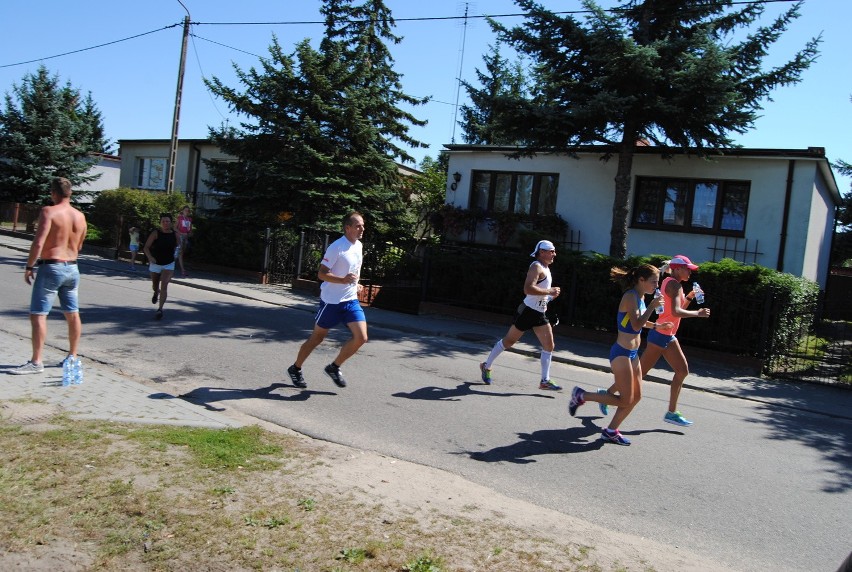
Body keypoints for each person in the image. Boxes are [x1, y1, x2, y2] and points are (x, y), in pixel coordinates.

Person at [568, 264, 669, 445]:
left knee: (636, 397)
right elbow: (637, 324)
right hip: (621, 353)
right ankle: (582, 395)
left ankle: (611, 431)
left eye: (658, 281)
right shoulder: (630, 296)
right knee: (624, 400)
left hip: (633, 353)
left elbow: (635, 322)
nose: (657, 285)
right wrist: (652, 307)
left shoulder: (640, 295)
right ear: (641, 280)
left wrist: (655, 326)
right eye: (654, 282)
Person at [11, 177, 87, 375]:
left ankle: (36, 361)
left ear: (53, 193)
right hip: (72, 268)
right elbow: (79, 246)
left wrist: (29, 266)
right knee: (72, 313)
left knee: (38, 314)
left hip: (51, 266)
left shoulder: (49, 211)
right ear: (70, 193)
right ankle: (73, 356)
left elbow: (38, 242)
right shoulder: (80, 216)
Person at [287, 212, 368, 389]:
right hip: (331, 302)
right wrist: (342, 280)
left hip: (350, 300)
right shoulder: (336, 247)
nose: (362, 228)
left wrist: (356, 283)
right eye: (358, 226)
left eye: (362, 225)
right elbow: (321, 274)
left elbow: (352, 271)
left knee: (361, 337)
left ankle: (334, 367)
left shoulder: (359, 246)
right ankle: (295, 368)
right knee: (317, 338)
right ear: (347, 228)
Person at [479, 240, 563, 391]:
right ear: (542, 252)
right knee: (509, 341)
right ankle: (486, 365)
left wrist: (550, 297)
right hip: (527, 311)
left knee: (549, 346)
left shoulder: (546, 268)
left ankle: (545, 380)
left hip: (539, 313)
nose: (554, 254)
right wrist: (549, 291)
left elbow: (539, 294)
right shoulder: (536, 266)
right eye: (551, 251)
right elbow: (528, 289)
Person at [637, 255, 711, 426]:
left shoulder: (670, 282)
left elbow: (676, 310)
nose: (690, 272)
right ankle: (608, 395)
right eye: (688, 269)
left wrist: (691, 297)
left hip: (666, 334)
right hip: (661, 334)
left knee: (682, 371)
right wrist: (698, 314)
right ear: (678, 269)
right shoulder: (674, 284)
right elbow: (677, 312)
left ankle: (671, 412)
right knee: (639, 374)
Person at [143, 214, 178, 320]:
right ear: (160, 223)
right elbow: (146, 248)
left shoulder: (175, 235)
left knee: (164, 286)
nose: (165, 223)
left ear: (171, 223)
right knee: (155, 285)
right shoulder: (156, 233)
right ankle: (155, 292)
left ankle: (160, 309)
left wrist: (177, 254)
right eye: (163, 221)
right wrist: (150, 257)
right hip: (155, 263)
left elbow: (179, 247)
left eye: (167, 221)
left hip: (169, 263)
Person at [175, 205, 192, 278]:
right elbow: (174, 228)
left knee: (180, 253)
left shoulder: (189, 219)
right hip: (180, 237)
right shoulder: (179, 218)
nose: (187, 212)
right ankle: (182, 270)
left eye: (188, 211)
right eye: (185, 210)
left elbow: (190, 230)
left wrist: (189, 234)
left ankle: (170, 266)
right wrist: (181, 233)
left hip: (185, 237)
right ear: (183, 211)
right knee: (180, 253)